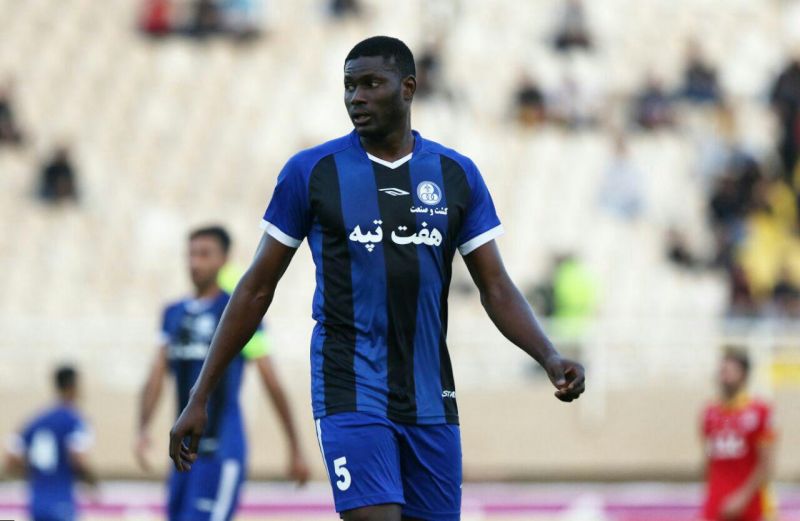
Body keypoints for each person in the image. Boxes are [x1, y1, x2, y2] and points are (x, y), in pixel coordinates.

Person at [168, 36, 585, 521]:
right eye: (349, 86)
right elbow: (256, 287)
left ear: (408, 88)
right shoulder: (311, 173)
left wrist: (549, 355)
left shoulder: (456, 175)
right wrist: (200, 393)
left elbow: (495, 286)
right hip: (349, 388)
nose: (356, 97)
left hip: (431, 396)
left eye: (371, 84)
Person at [137, 225, 309, 521]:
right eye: (191, 254)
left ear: (224, 259)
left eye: (205, 254)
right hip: (182, 455)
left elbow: (270, 378)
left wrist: (294, 446)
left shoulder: (238, 313)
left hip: (222, 449)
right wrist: (142, 429)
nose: (195, 262)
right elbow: (156, 374)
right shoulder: (173, 314)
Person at [5, 366, 96, 521]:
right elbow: (77, 457)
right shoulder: (75, 420)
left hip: (37, 503)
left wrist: (32, 471)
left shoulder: (36, 420)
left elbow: (10, 459)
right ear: (73, 387)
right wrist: (91, 480)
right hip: (62, 500)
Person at [701, 347, 777, 521]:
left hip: (750, 505)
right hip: (717, 503)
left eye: (729, 371)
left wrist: (742, 497)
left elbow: (766, 464)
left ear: (743, 374)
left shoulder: (760, 411)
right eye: (722, 371)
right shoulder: (709, 412)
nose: (724, 376)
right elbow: (708, 459)